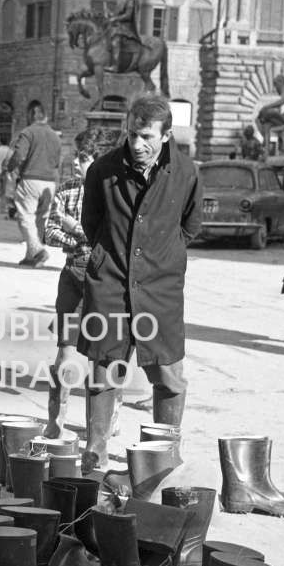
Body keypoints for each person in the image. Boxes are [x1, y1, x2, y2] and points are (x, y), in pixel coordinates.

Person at [77, 93, 201, 475]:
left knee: (168, 376)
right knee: (104, 374)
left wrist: (160, 257)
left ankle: (159, 460)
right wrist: (108, 257)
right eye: (132, 134)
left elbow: (190, 227)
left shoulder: (186, 173)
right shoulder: (103, 170)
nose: (137, 144)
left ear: (166, 135)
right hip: (111, 284)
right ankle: (94, 458)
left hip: (160, 289)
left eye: (147, 136)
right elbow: (91, 222)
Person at [41, 129, 102, 438]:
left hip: (102, 277)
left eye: (84, 158)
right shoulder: (67, 190)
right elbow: (48, 232)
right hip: (75, 273)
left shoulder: (109, 193)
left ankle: (101, 426)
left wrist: (75, 228)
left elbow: (111, 239)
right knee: (66, 351)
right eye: (77, 157)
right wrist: (81, 235)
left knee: (102, 356)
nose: (77, 164)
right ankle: (56, 422)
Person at [7, 100, 61, 266]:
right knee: (41, 218)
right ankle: (31, 256)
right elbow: (58, 162)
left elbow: (19, 156)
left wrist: (10, 168)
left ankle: (37, 251)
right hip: (50, 183)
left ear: (32, 114)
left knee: (25, 216)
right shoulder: (55, 136)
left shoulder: (28, 132)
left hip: (30, 179)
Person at [104, 0, 142, 73]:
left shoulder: (130, 0)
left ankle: (115, 66)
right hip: (120, 25)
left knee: (115, 41)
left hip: (126, 27)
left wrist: (115, 18)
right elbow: (119, 13)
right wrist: (111, 14)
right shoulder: (123, 0)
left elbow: (128, 16)